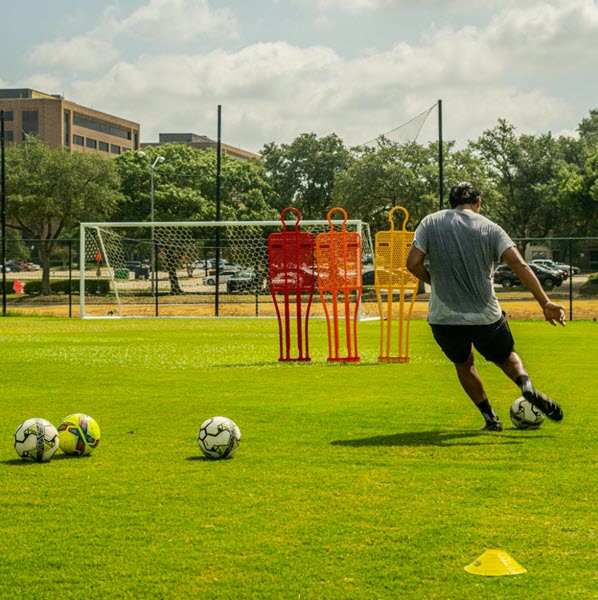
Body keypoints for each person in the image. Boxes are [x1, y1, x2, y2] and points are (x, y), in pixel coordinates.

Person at [406, 181, 565, 431]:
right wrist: (545, 302)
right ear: (478, 202)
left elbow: (413, 263)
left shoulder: (430, 222)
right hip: (485, 316)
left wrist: (434, 280)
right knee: (506, 356)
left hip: (444, 317)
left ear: (450, 203)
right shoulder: (491, 228)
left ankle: (491, 418)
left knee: (464, 363)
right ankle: (525, 386)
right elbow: (519, 265)